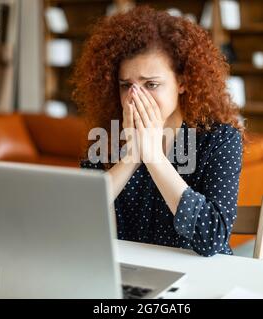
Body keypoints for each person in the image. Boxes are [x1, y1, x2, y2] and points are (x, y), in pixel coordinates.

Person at [71, 6, 244, 257]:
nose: (135, 97)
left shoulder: (219, 139)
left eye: (151, 84)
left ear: (183, 82)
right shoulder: (107, 138)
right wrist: (131, 156)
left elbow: (212, 239)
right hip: (132, 277)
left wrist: (153, 156)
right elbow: (79, 221)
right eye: (126, 85)